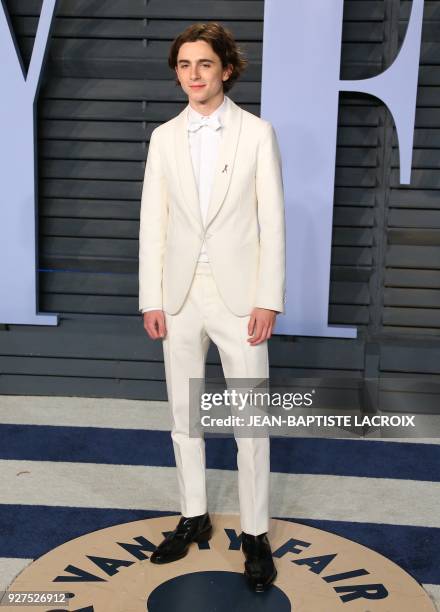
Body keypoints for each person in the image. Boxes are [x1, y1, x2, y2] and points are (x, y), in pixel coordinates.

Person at [138, 21, 286, 592]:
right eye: (183, 65)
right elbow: (155, 223)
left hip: (239, 299)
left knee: (250, 423)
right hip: (177, 298)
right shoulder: (163, 138)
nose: (193, 75)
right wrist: (153, 298)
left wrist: (267, 299)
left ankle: (254, 534)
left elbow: (272, 222)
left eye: (204, 64)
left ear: (226, 68)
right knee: (185, 417)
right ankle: (193, 513)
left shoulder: (256, 133)